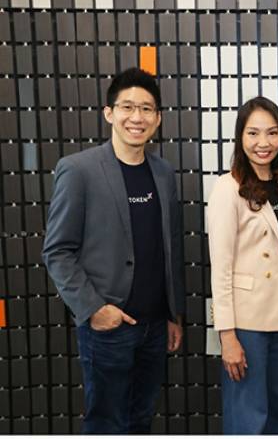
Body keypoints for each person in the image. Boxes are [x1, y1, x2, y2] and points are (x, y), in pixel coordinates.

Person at [42, 67, 185, 433]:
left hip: (155, 326)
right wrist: (94, 309)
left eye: (147, 109)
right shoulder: (78, 170)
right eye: (127, 107)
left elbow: (169, 247)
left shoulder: (164, 173)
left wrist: (173, 314)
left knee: (141, 419)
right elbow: (57, 251)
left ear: (158, 118)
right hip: (108, 327)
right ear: (109, 113)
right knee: (106, 423)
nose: (137, 117)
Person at [207, 96, 278, 434]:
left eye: (271, 133)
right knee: (249, 419)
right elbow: (220, 269)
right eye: (253, 133)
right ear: (240, 137)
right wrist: (227, 336)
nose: (263, 143)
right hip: (247, 324)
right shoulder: (228, 188)